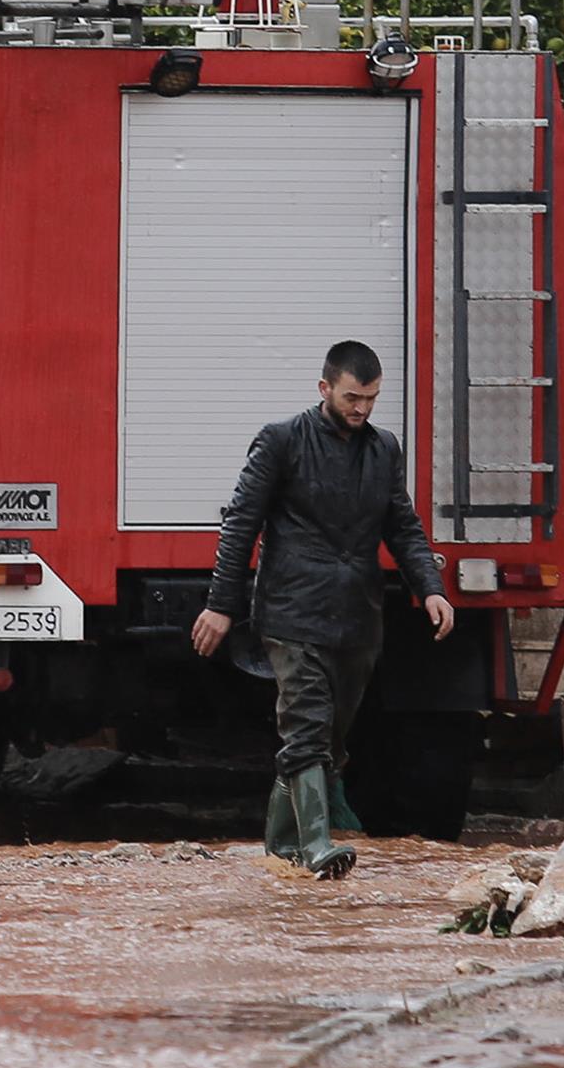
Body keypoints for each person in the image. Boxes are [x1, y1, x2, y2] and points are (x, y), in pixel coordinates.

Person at [188, 340, 453, 877]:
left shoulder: (384, 449)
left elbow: (401, 525)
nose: (362, 409)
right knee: (306, 727)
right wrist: (222, 605)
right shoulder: (282, 441)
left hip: (357, 616)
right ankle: (316, 847)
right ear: (325, 388)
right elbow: (241, 525)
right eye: (354, 397)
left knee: (329, 740)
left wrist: (431, 586)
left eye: (372, 399)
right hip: (291, 612)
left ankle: (279, 850)